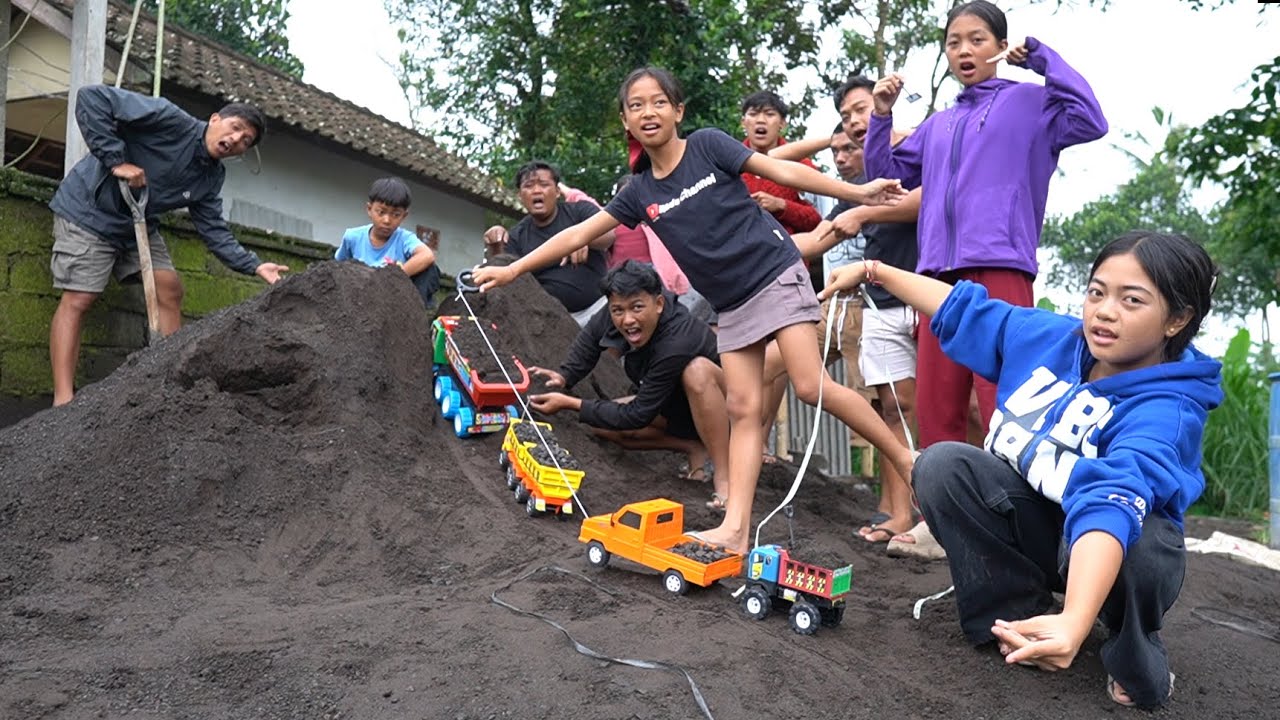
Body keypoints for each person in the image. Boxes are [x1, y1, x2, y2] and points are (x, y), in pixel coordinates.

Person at [473, 66, 914, 554]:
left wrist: (855, 193)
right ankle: (736, 529)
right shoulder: (640, 192)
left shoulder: (707, 145)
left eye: (658, 101)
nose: (648, 112)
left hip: (774, 271)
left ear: (678, 110)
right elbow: (577, 234)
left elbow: (782, 171)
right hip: (732, 303)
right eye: (636, 105)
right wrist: (512, 271)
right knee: (742, 410)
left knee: (810, 386)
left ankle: (906, 460)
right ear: (625, 120)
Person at [819, 231, 1220, 710]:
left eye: (1132, 300)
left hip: (1109, 545)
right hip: (1036, 527)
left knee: (1147, 545)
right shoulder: (1051, 339)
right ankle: (1018, 619)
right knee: (944, 464)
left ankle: (1133, 650)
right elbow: (962, 310)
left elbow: (1111, 498)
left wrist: (1076, 618)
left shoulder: (1167, 409)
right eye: (1097, 292)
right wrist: (874, 271)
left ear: (1177, 319)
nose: (1105, 311)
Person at [863, 0, 1107, 450]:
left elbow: (1092, 120)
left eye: (977, 39)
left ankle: (1015, 511)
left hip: (1001, 267)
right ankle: (937, 517)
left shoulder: (1032, 103)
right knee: (938, 408)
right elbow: (885, 175)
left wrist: (1039, 57)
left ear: (1000, 46)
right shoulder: (938, 124)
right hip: (936, 277)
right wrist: (881, 115)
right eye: (954, 43)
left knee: (1005, 400)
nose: (964, 50)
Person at [48, 84, 289, 407]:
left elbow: (213, 229)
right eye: (235, 128)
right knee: (80, 296)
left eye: (245, 141)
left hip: (138, 223)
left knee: (170, 289)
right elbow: (92, 97)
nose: (235, 140)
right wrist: (115, 160)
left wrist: (253, 264)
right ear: (215, 119)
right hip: (90, 210)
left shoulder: (210, 177)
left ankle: (168, 387)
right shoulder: (168, 117)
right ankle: (63, 398)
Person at [527, 260, 730, 508]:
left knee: (696, 372)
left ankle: (725, 475)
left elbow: (638, 415)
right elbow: (591, 337)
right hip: (672, 404)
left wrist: (571, 403)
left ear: (658, 304)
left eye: (636, 308)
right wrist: (564, 376)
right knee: (602, 425)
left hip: (726, 410)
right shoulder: (618, 310)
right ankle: (693, 445)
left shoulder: (677, 341)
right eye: (618, 310)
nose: (627, 320)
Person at [481, 161, 615, 326]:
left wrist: (584, 238)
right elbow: (505, 277)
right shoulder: (517, 235)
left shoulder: (580, 211)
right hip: (550, 324)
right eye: (529, 186)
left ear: (557, 191)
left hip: (598, 308)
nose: (536, 190)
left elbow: (609, 235)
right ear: (519, 195)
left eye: (544, 185)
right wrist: (495, 245)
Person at [335, 177, 439, 309]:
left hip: (392, 301)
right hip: (360, 296)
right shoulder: (352, 237)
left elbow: (427, 255)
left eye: (395, 215)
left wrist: (398, 273)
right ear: (369, 209)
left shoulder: (404, 238)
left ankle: (415, 312)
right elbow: (337, 267)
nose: (387, 220)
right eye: (381, 212)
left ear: (404, 216)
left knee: (431, 270)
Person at [738, 90, 822, 237]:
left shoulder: (802, 165)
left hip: (790, 256)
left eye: (769, 114)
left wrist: (781, 205)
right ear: (743, 122)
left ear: (782, 124)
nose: (760, 120)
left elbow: (818, 221)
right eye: (753, 114)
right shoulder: (727, 164)